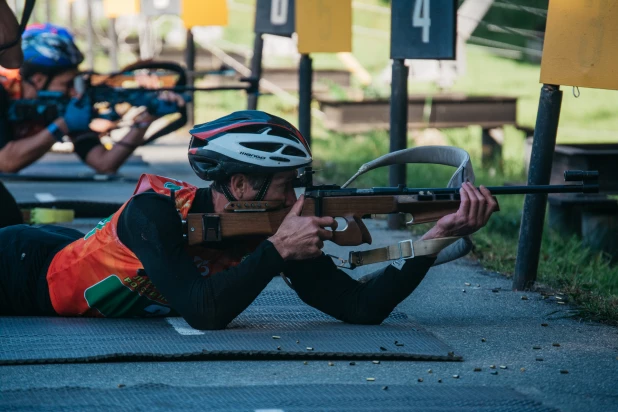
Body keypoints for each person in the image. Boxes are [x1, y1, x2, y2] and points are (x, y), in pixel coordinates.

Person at [0, 111, 499, 328]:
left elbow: (359, 307)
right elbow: (204, 311)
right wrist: (277, 251)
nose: (296, 199)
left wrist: (433, 240)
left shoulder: (263, 229)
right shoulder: (151, 214)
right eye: (286, 186)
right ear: (240, 186)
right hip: (18, 269)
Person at [0, 23, 185, 174]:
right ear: (39, 80)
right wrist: (63, 125)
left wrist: (146, 118)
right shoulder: (2, 91)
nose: (73, 92)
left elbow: (104, 163)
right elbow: (6, 162)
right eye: (67, 84)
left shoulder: (58, 107)